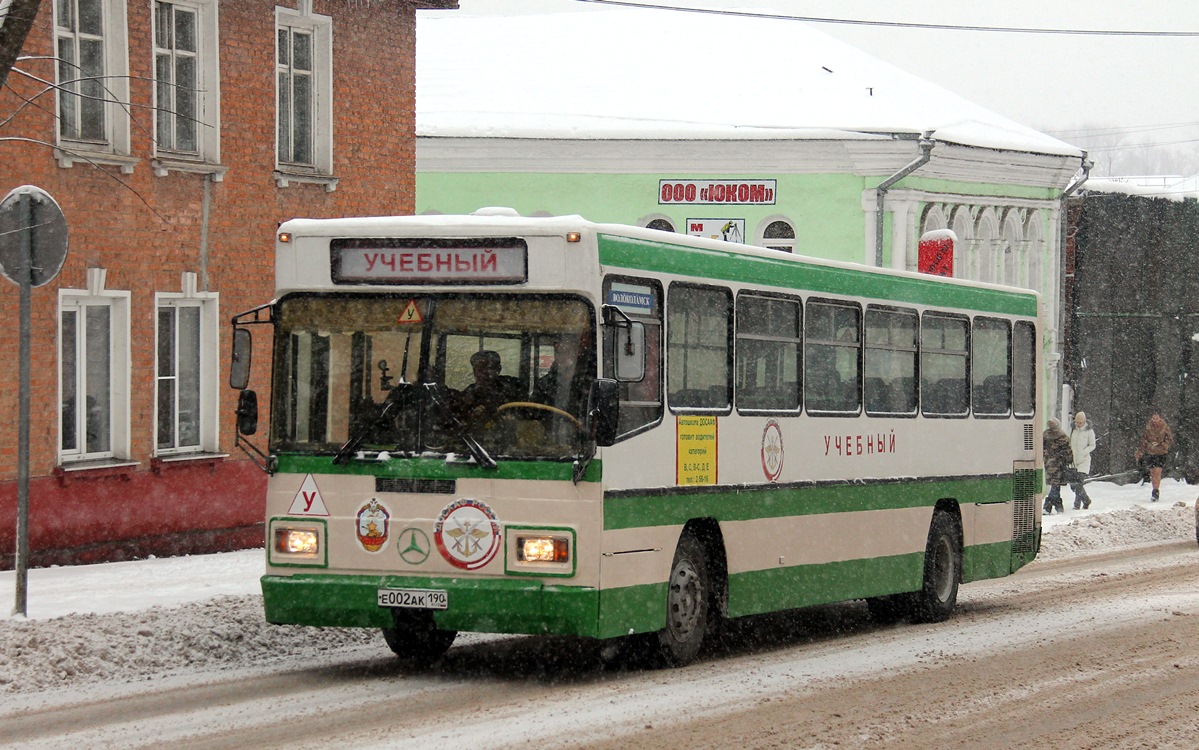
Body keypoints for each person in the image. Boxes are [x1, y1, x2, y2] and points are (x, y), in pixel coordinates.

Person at [456, 350, 523, 423]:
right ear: (474, 371)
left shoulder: (512, 388)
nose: (485, 374)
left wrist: (515, 418)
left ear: (498, 369)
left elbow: (525, 412)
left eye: (490, 368)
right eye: (480, 370)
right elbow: (459, 421)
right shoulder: (468, 394)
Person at [1135, 410, 1173, 502]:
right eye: (1153, 418)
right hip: (1150, 452)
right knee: (1152, 472)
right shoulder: (1148, 427)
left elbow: (1169, 439)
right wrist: (1140, 451)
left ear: (1160, 418)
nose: (1155, 420)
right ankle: (1154, 489)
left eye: (1157, 418)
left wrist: (1162, 445)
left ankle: (1156, 491)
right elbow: (1143, 440)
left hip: (1161, 452)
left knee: (1157, 471)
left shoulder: (1165, 427)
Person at [1042, 418, 1072, 515]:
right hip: (1059, 464)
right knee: (1056, 484)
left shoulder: (1044, 435)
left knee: (1055, 484)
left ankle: (1057, 506)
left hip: (1048, 464)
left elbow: (1041, 448)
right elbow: (1068, 451)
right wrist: (1069, 460)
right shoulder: (1063, 437)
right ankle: (1048, 506)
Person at [1069, 411, 1096, 510]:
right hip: (1073, 461)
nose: (1078, 424)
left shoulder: (1089, 432)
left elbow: (1092, 445)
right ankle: (1086, 500)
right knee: (1074, 485)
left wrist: (1084, 452)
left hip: (1084, 461)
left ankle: (1077, 505)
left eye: (1080, 422)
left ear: (1084, 421)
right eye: (1077, 422)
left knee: (1078, 483)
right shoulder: (1073, 430)